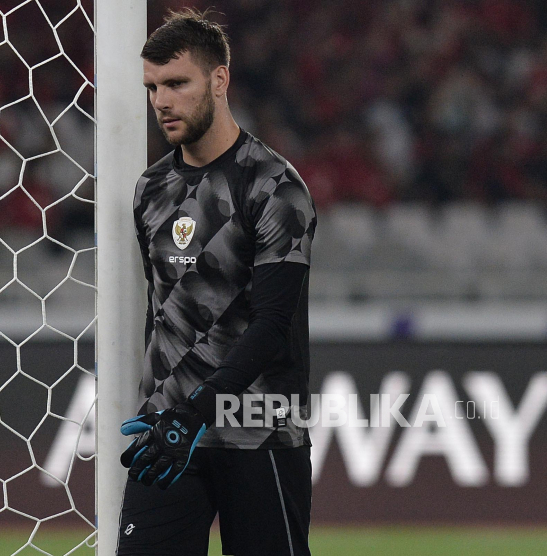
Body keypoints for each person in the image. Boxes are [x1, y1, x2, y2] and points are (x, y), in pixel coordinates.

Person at [118, 8, 316, 556]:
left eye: (177, 83)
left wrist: (196, 410)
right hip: (169, 435)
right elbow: (163, 309)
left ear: (219, 80)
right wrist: (169, 412)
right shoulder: (150, 190)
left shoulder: (275, 188)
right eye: (153, 86)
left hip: (260, 432)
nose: (161, 100)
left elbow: (272, 325)